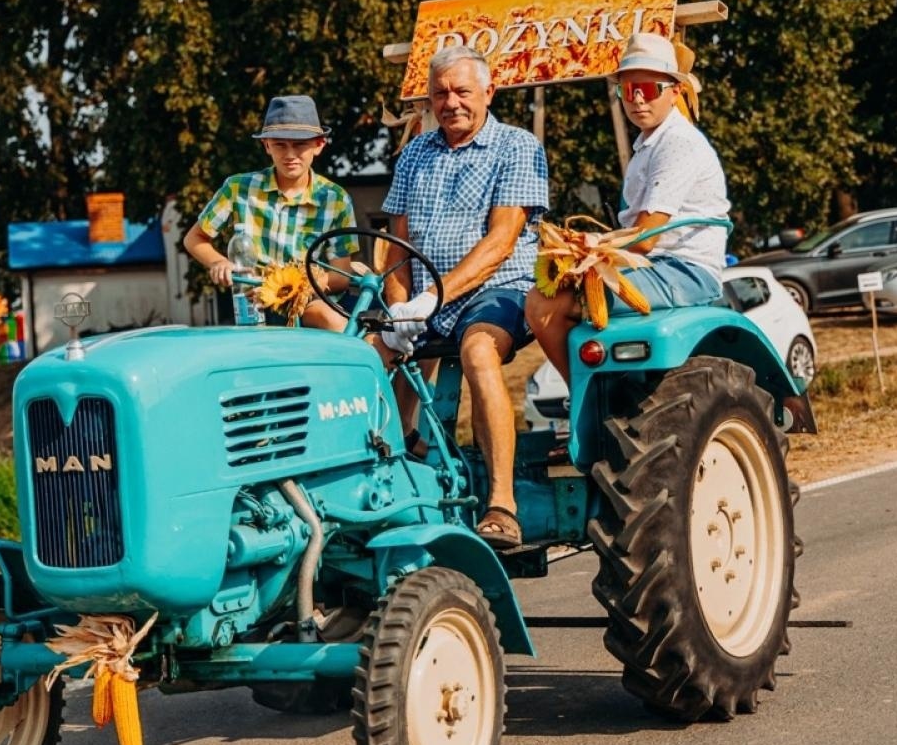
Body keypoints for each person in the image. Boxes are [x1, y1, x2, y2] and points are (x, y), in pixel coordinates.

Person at [379, 46, 549, 548]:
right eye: (440, 93)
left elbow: (500, 244)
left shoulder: (517, 147)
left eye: (461, 91)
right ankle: (386, 482)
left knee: (478, 350)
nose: (450, 102)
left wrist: (431, 297)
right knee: (365, 357)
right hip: (428, 299)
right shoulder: (415, 153)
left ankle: (501, 504)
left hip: (499, 290)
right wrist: (398, 308)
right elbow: (396, 246)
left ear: (488, 93)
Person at [526, 33, 728, 386]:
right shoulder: (649, 144)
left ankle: (587, 401)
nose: (636, 99)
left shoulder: (677, 143)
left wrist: (586, 249)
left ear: (674, 91)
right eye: (627, 89)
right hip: (656, 268)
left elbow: (646, 237)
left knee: (546, 305)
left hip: (686, 271)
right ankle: (600, 397)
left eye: (647, 89)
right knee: (545, 295)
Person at [184, 95, 357, 330]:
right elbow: (194, 238)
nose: (290, 155)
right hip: (252, 305)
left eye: (300, 145)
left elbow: (342, 275)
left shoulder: (335, 199)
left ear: (319, 145)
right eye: (279, 144)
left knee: (335, 322)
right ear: (266, 145)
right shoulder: (238, 189)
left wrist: (298, 288)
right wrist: (219, 262)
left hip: (307, 303)